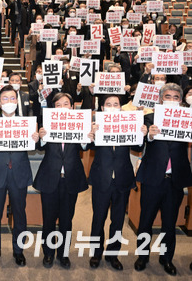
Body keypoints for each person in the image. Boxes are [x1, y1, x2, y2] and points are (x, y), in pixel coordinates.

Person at [134, 83, 192, 275]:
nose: (172, 100)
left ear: (181, 100)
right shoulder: (148, 118)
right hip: (152, 178)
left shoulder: (188, 118)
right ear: (160, 99)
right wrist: (148, 136)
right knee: (145, 222)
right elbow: (136, 144)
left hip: (174, 179)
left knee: (169, 223)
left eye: (176, 97)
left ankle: (166, 259)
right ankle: (142, 257)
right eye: (168, 96)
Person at [86, 94, 146, 271]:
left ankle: (113, 254)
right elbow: (88, 147)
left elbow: (137, 149)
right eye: (108, 104)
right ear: (102, 108)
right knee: (98, 218)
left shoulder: (128, 124)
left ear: (121, 107)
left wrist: (141, 134)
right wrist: (90, 134)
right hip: (101, 178)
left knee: (118, 220)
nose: (112, 106)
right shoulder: (96, 125)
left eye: (116, 104)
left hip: (122, 178)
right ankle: (96, 254)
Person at [0, 85, 39, 267]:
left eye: (12, 98)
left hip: (19, 172)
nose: (9, 102)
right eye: (5, 99)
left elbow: (33, 147)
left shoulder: (27, 122)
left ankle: (18, 250)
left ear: (17, 101)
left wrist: (36, 138)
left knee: (20, 214)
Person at [34, 92, 90, 269]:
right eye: (58, 105)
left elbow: (87, 146)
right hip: (50, 177)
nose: (63, 107)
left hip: (71, 178)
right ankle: (48, 253)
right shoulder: (46, 125)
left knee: (67, 220)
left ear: (72, 107)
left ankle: (63, 254)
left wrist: (87, 138)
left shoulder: (81, 124)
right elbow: (39, 148)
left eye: (66, 104)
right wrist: (41, 138)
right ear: (53, 108)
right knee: (49, 220)